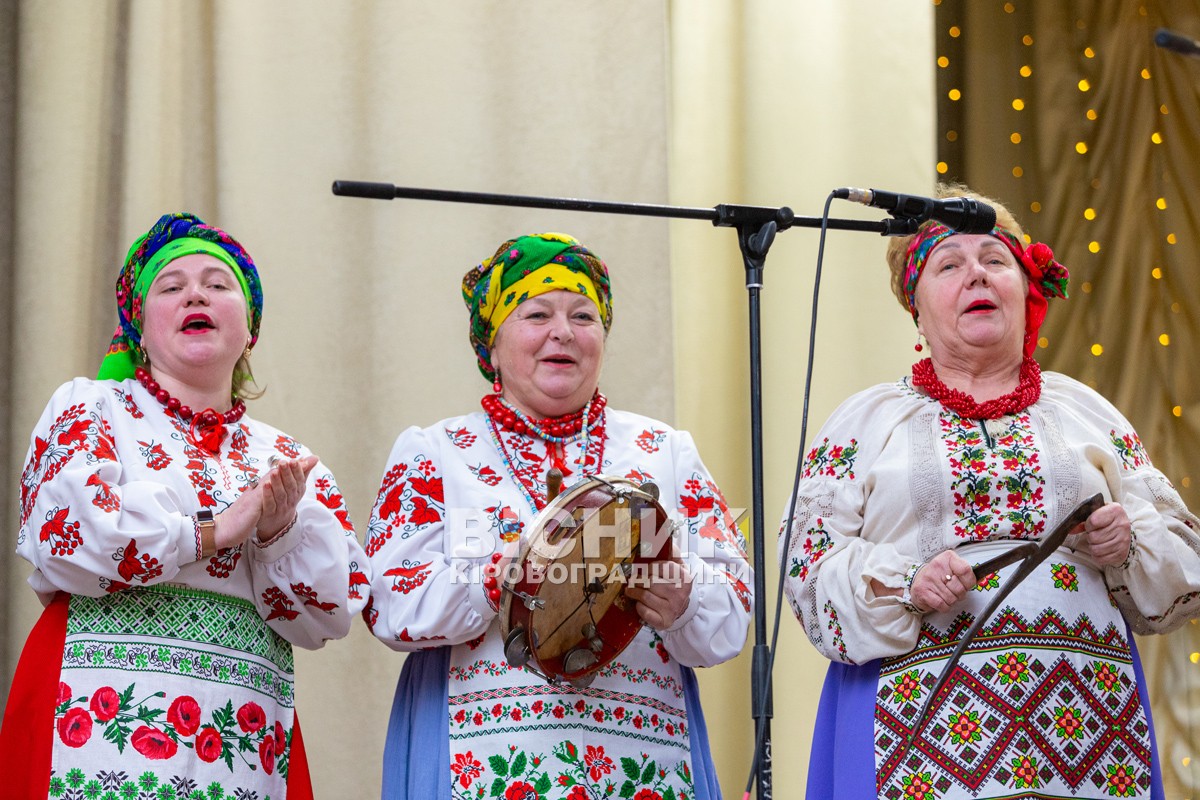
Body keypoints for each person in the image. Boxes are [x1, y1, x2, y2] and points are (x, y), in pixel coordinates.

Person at [779, 184, 1200, 799]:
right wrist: (906, 581)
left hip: (1085, 728)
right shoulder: (866, 422)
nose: (977, 273)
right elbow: (806, 564)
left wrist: (1127, 540)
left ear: (1025, 290)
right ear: (915, 306)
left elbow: (1184, 562)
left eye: (996, 260)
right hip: (919, 726)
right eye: (950, 265)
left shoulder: (1087, 411)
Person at [364, 232, 752, 800]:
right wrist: (493, 577)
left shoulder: (665, 450)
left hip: (642, 760)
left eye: (583, 315)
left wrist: (686, 599)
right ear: (492, 345)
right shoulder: (436, 451)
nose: (563, 331)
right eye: (536, 313)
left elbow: (736, 602)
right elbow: (387, 603)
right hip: (486, 758)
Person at [1, 212, 370, 799]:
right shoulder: (91, 409)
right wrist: (218, 529)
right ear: (139, 332)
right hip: (95, 703)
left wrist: (275, 536)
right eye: (170, 287)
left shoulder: (289, 457)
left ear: (250, 329)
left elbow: (328, 615)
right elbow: (71, 540)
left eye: (218, 284)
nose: (195, 292)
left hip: (238, 732)